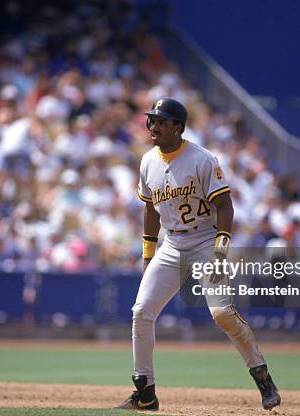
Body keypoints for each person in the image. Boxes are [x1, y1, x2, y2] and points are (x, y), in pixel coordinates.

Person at [116, 97, 280, 411]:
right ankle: (145, 392)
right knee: (141, 312)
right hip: (172, 245)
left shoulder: (202, 159)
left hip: (205, 242)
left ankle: (263, 377)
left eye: (162, 122)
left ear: (178, 127)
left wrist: (220, 252)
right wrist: (149, 253)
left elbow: (224, 207)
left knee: (221, 314)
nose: (154, 127)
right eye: (152, 120)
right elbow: (150, 208)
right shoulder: (148, 160)